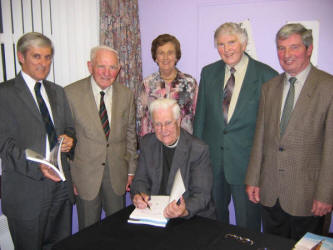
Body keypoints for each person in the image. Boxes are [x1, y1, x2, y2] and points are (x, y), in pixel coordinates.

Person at [245, 23, 333, 240]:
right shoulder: (270, 87)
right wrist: (253, 178)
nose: (286, 54)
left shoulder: (328, 87)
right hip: (270, 191)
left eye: (294, 47)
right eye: (281, 48)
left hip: (309, 197)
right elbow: (260, 138)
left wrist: (326, 194)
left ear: (309, 49)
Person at [193, 22, 278, 231]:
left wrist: (262, 171)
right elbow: (200, 119)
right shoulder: (209, 73)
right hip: (213, 162)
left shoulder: (266, 76)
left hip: (247, 166)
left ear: (244, 43)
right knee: (214, 219)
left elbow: (271, 131)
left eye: (231, 42)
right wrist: (197, 162)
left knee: (247, 223)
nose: (226, 49)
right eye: (220, 44)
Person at [0, 32, 75, 250]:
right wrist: (38, 167)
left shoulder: (58, 92)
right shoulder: (4, 95)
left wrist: (71, 140)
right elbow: (5, 144)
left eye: (48, 57)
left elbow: (69, 128)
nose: (44, 63)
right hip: (27, 191)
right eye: (36, 56)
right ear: (21, 57)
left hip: (61, 186)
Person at [65, 45, 137, 230]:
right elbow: (66, 138)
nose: (107, 73)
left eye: (112, 67)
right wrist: (70, 177)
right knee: (88, 232)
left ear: (119, 69)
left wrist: (131, 171)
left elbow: (130, 135)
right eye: (101, 66)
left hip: (117, 175)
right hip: (85, 177)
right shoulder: (70, 94)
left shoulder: (127, 95)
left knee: (117, 230)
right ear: (90, 66)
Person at [131, 98, 215, 219]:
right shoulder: (147, 143)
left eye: (168, 123)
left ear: (178, 121)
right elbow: (140, 180)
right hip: (155, 213)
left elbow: (201, 195)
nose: (163, 130)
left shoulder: (198, 149)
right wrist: (140, 195)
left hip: (191, 217)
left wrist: (184, 210)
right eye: (158, 124)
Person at [136, 34, 198, 140]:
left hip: (184, 144)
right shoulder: (147, 84)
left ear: (176, 56)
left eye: (170, 53)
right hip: (155, 143)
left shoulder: (190, 83)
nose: (165, 57)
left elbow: (197, 116)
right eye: (161, 53)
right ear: (156, 58)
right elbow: (140, 118)